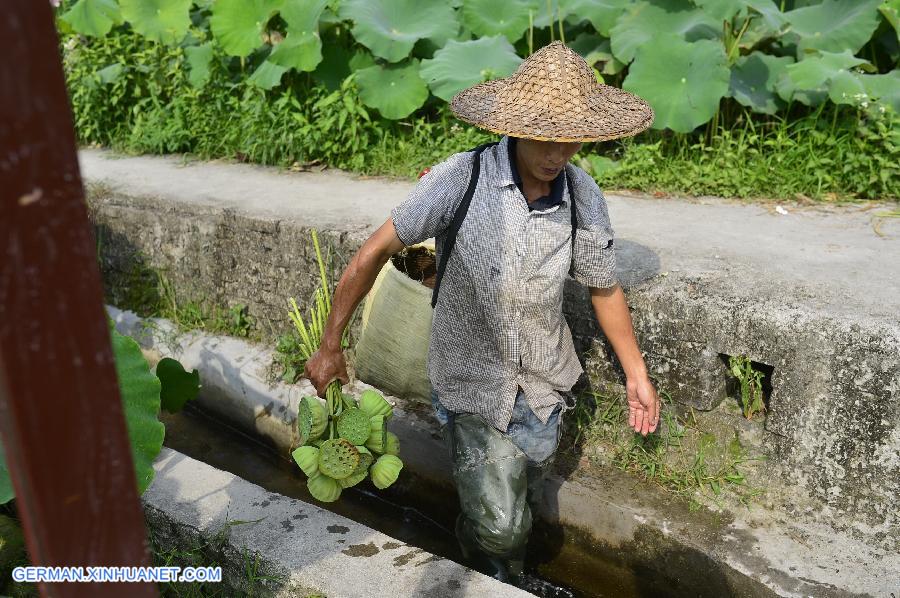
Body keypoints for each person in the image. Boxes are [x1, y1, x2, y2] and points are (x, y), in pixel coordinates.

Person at [305, 41, 660, 583]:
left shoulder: (583, 193)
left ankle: (472, 541)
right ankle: (495, 574)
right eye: (546, 139)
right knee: (502, 526)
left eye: (571, 141)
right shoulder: (462, 179)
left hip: (544, 377)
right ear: (515, 127)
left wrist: (636, 373)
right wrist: (330, 345)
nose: (558, 154)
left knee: (519, 477)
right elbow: (371, 252)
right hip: (472, 378)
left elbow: (603, 287)